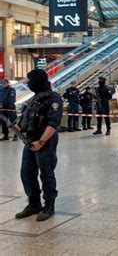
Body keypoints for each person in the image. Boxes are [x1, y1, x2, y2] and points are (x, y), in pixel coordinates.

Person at [14, 69, 63, 222]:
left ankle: (49, 205)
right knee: (27, 172)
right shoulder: (34, 99)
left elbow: (53, 124)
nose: (28, 84)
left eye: (30, 81)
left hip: (45, 141)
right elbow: (26, 118)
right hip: (30, 141)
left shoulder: (53, 99)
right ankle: (34, 203)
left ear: (38, 81)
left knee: (46, 173)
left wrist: (41, 142)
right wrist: (19, 127)